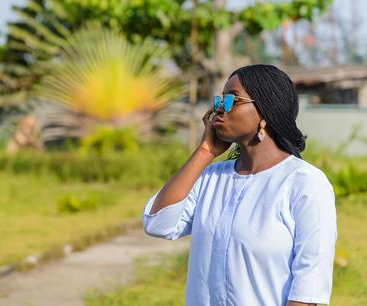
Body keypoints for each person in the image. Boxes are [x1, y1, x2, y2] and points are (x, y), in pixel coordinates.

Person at [142, 64, 338, 306]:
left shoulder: (304, 183)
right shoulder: (211, 177)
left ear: (266, 111)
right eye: (220, 100)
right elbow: (158, 223)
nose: (219, 109)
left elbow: (308, 288)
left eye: (232, 100)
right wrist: (204, 151)